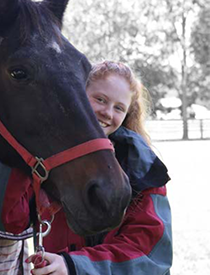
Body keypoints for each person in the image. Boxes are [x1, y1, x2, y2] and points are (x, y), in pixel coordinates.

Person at [27, 61, 172, 275]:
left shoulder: (142, 167)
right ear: (77, 94)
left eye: (119, 108)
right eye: (100, 99)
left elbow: (150, 255)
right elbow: (11, 217)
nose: (107, 112)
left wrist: (73, 266)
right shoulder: (48, 154)